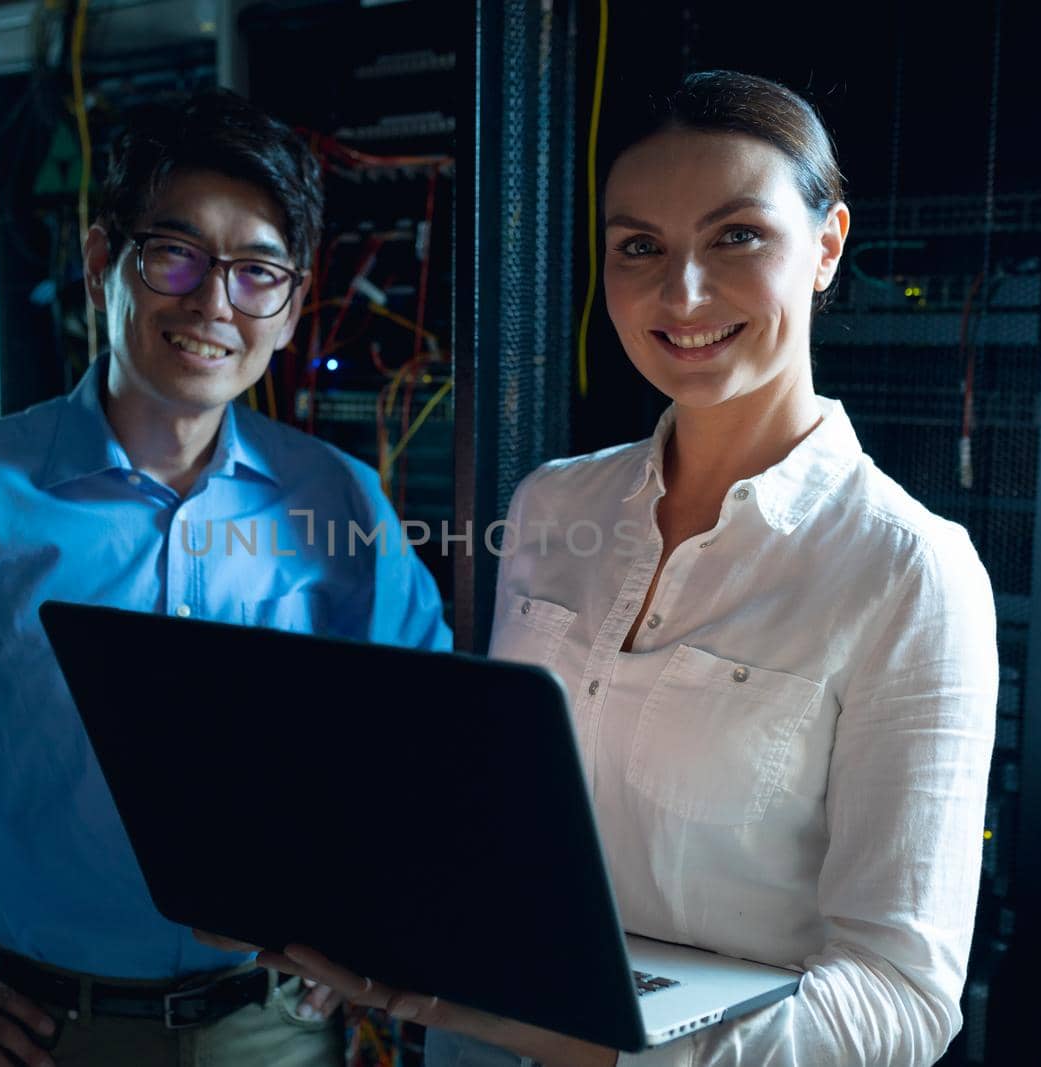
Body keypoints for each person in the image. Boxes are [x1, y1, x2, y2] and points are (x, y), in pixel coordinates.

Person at [226, 71, 998, 1066]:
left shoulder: (908, 573)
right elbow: (498, 830)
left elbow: (898, 1002)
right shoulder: (554, 504)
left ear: (827, 245)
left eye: (736, 235)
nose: (681, 291)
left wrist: (589, 1043)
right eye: (640, 247)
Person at [0, 89, 451, 1067]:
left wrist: (368, 918)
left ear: (291, 300)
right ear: (104, 259)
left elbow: (428, 744)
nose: (210, 303)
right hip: (48, 1033)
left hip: (278, 1029)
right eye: (175, 253)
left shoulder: (341, 501)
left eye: (254, 272)